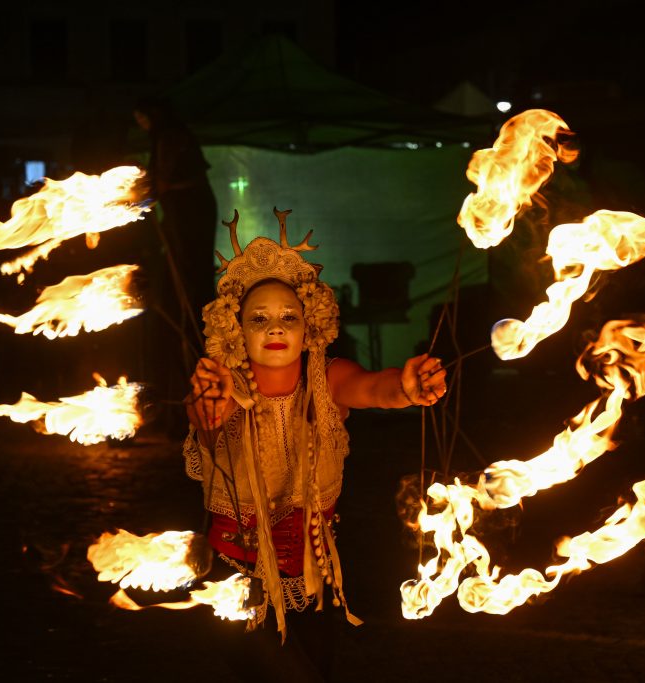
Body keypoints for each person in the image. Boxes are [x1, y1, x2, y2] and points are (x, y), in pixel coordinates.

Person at [181, 208, 447, 681]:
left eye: (289, 317)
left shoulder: (327, 380)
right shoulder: (222, 385)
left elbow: (374, 388)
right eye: (259, 319)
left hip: (313, 580)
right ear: (237, 329)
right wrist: (208, 406)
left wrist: (405, 387)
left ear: (309, 327)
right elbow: (206, 422)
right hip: (233, 579)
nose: (276, 328)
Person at [133, 95, 218, 433]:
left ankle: (192, 406)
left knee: (187, 302)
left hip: (187, 223)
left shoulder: (171, 137)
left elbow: (162, 182)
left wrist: (141, 194)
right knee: (178, 301)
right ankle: (176, 409)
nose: (141, 125)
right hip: (180, 221)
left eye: (142, 117)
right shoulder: (169, 137)